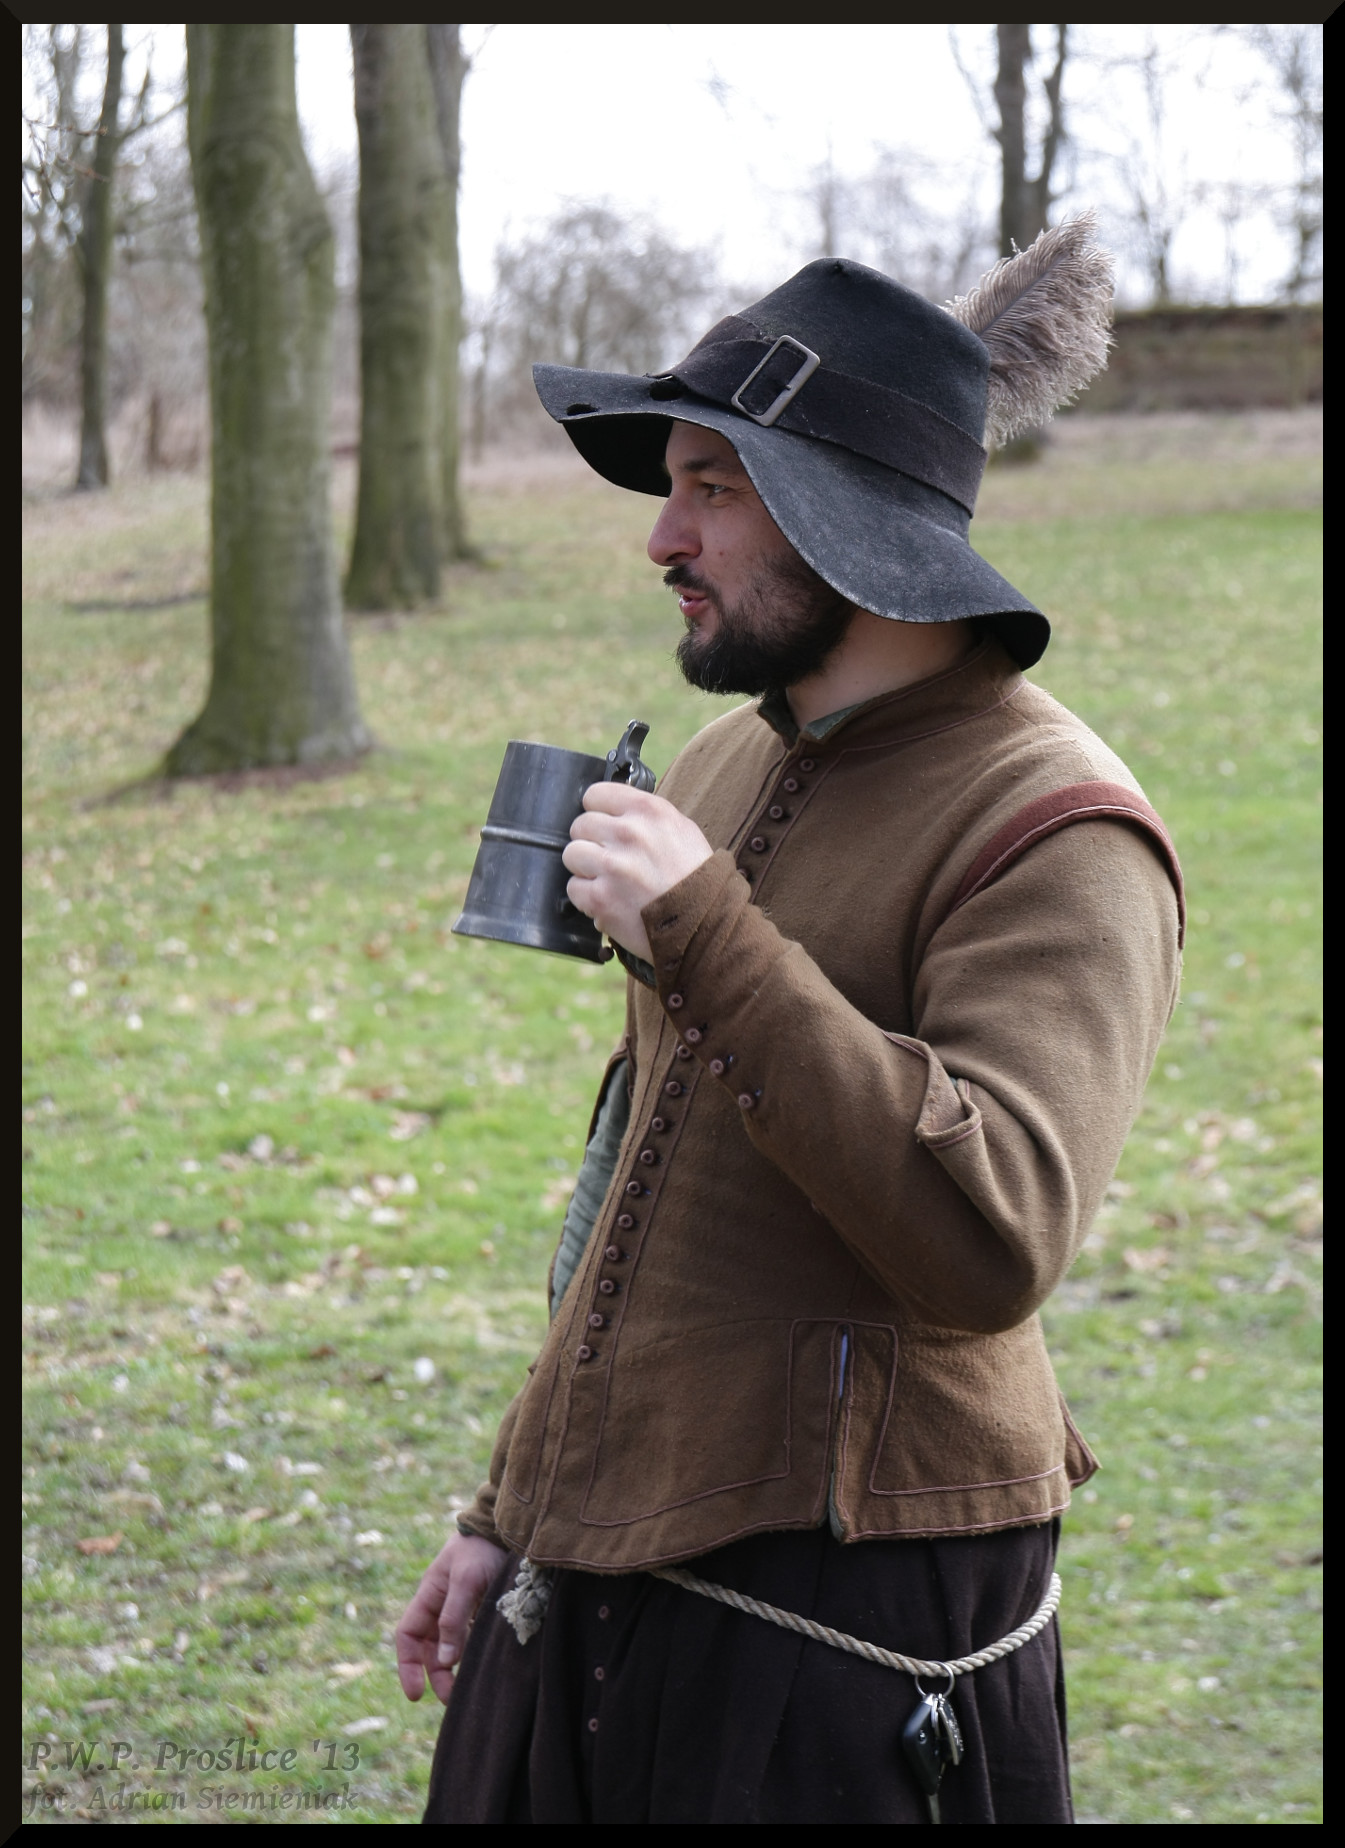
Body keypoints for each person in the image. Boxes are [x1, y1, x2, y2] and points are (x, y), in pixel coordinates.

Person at [397, 218, 1184, 1825]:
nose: (660, 537)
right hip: (604, 1564)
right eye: (669, 485)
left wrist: (705, 931)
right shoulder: (726, 761)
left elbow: (990, 1244)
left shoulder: (1060, 831)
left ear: (843, 515)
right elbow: (633, 1178)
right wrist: (510, 1507)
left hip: (850, 1622)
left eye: (713, 486)